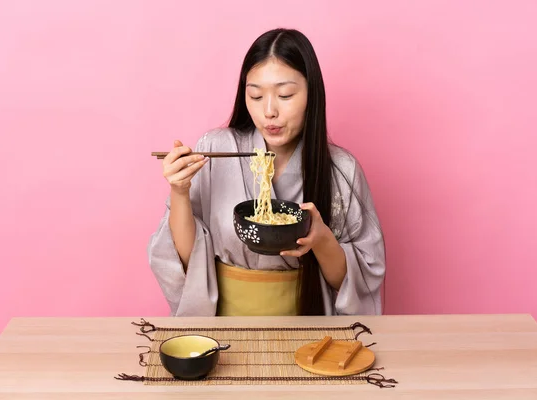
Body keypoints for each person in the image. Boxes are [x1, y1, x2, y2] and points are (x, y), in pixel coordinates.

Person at [148, 28, 386, 317]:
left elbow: (358, 284)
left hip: (307, 325)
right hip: (223, 326)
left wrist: (322, 240)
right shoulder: (214, 147)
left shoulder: (341, 169)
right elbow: (188, 259)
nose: (269, 111)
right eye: (256, 96)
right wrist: (180, 191)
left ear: (312, 93)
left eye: (285, 95)